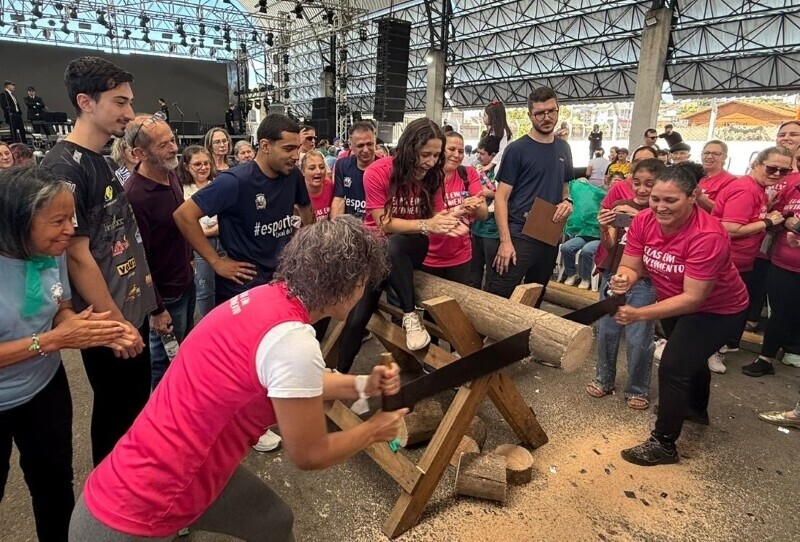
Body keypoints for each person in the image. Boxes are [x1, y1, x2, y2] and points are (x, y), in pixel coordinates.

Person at [69, 217, 409, 542]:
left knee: (273, 521)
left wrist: (362, 385)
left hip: (144, 473)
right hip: (137, 511)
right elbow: (309, 453)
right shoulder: (294, 342)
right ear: (346, 284)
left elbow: (293, 381)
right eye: (363, 282)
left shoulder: (265, 299)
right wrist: (373, 430)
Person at [0, 165, 135, 542]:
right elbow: (53, 336)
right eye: (58, 220)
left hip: (44, 387)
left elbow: (59, 301)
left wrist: (75, 323)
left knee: (54, 483)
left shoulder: (48, 248)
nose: (70, 231)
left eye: (71, 218)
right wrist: (54, 340)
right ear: (17, 221)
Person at [175, 114, 313, 453]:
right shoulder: (234, 181)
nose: (296, 155)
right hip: (243, 284)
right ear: (264, 146)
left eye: (298, 147)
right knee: (242, 360)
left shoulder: (292, 174)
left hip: (280, 280)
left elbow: (306, 210)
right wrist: (217, 261)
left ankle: (260, 414)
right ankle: (241, 425)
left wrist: (301, 243)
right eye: (289, 148)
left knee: (274, 352)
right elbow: (183, 216)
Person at [41, 56, 154, 466]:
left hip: (128, 307)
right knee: (116, 414)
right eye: (120, 102)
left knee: (132, 409)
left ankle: (130, 496)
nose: (129, 112)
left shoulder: (100, 159)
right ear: (86, 102)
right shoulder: (61, 166)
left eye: (130, 102)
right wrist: (115, 323)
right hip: (108, 317)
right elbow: (76, 255)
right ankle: (111, 510)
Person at [611, 164, 748, 466]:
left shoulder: (708, 234)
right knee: (690, 359)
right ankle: (696, 410)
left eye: (670, 201)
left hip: (718, 310)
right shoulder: (644, 221)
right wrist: (624, 278)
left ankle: (664, 444)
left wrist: (640, 313)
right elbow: (632, 265)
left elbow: (693, 299)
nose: (660, 207)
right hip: (673, 300)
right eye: (656, 199)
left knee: (673, 366)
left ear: (693, 196)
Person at [336, 118, 467, 372]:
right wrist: (428, 224)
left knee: (393, 246)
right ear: (409, 149)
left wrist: (451, 222)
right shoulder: (378, 171)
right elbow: (382, 223)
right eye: (424, 154)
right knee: (358, 316)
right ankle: (338, 375)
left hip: (412, 246)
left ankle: (409, 313)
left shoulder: (434, 176)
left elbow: (437, 215)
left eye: (435, 155)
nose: (430, 162)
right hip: (377, 251)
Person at [587, 158, 665, 409]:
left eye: (649, 184)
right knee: (607, 331)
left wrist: (641, 216)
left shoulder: (663, 213)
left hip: (645, 280)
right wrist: (603, 226)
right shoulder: (619, 205)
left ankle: (637, 388)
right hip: (614, 274)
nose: (642, 190)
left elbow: (663, 242)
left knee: (639, 337)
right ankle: (604, 379)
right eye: (637, 183)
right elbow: (610, 244)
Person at [124, 115, 195, 389]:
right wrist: (157, 308)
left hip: (184, 281)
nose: (174, 148)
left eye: (172, 140)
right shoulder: (135, 196)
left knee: (180, 354)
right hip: (165, 296)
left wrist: (189, 260)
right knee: (163, 364)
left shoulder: (171, 173)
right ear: (139, 153)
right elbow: (138, 259)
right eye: (163, 145)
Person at [487, 87, 574, 302]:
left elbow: (564, 187)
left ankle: (524, 336)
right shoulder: (517, 149)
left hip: (549, 233)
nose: (547, 117)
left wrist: (567, 201)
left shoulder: (564, 148)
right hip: (520, 234)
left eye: (551, 111)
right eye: (540, 113)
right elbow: (501, 197)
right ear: (530, 115)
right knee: (499, 295)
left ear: (558, 110)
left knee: (535, 297)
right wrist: (505, 242)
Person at [709, 146, 790, 374]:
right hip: (728, 260)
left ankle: (715, 348)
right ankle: (713, 350)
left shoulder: (758, 189)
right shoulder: (745, 189)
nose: (777, 174)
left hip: (740, 260)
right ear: (756, 164)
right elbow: (731, 228)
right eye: (772, 168)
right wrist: (768, 222)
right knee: (722, 310)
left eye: (783, 171)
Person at [740, 150, 799, 377]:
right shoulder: (790, 185)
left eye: (783, 170)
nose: (778, 174)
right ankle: (765, 358)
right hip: (783, 261)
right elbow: (777, 215)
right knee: (779, 313)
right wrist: (787, 221)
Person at [422, 131, 487, 283]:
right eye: (451, 149)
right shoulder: (425, 176)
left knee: (456, 304)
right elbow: (420, 214)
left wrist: (474, 206)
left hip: (460, 257)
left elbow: (483, 214)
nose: (457, 155)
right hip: (427, 256)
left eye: (461, 151)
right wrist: (458, 211)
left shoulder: (468, 174)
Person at [178, 145, 221, 319]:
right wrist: (200, 232)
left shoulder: (218, 185)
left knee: (224, 286)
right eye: (197, 164)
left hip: (223, 240)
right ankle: (207, 324)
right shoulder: (181, 189)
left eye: (206, 163)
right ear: (187, 166)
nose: (203, 167)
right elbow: (185, 222)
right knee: (204, 289)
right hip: (197, 247)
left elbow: (225, 219)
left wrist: (202, 231)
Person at [468, 134, 501, 289]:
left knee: (492, 272)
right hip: (476, 228)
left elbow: (507, 197)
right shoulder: (476, 171)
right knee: (474, 271)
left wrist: (491, 193)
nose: (478, 156)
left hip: (492, 230)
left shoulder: (500, 173)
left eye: (482, 154)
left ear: (493, 155)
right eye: (478, 153)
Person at [331, 121, 376, 220]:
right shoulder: (342, 165)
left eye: (369, 144)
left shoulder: (385, 168)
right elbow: (339, 199)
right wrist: (335, 229)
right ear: (350, 145)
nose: (366, 150)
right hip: (350, 227)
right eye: (360, 145)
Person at [696, 140, 736, 212]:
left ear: (724, 157)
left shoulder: (731, 181)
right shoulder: (692, 175)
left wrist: (700, 197)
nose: (709, 156)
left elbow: (725, 210)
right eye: (706, 153)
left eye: (716, 154)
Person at [481, 100, 512, 174]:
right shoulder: (491, 130)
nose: (483, 117)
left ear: (492, 117)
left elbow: (502, 151)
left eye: (485, 115)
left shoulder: (503, 132)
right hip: (496, 159)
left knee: (497, 170)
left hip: (506, 160)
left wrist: (489, 166)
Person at [302, 150, 334, 221]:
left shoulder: (330, 186)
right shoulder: (297, 192)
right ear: (303, 171)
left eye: (322, 167)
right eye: (312, 168)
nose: (318, 171)